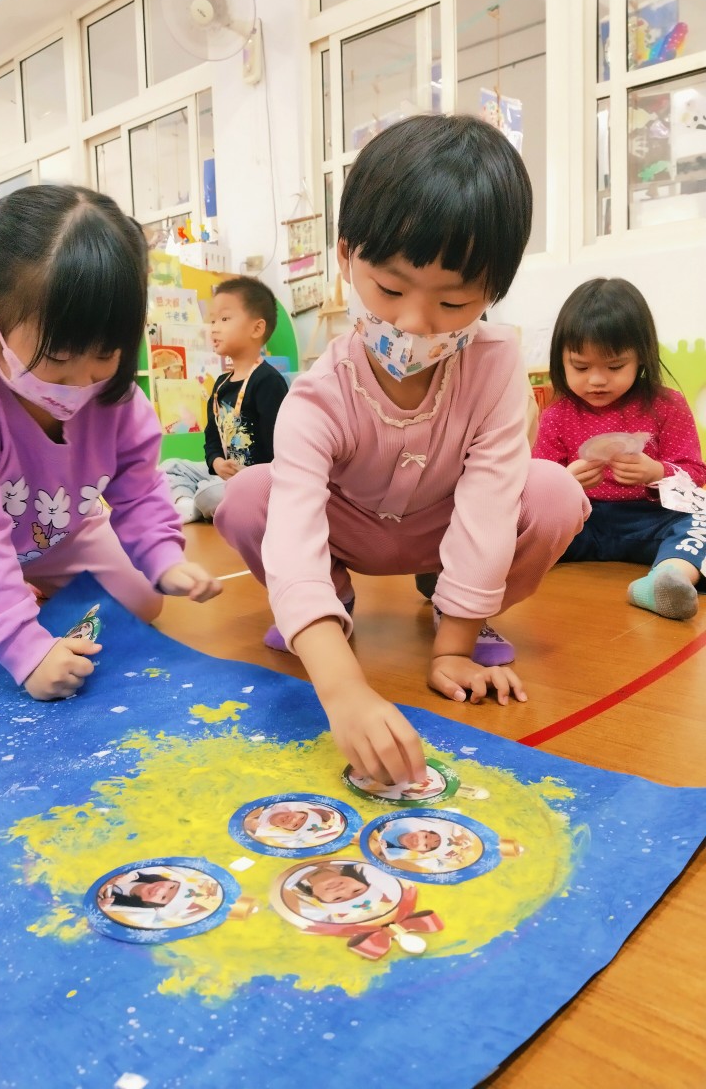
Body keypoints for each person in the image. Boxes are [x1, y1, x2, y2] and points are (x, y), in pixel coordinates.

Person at [215, 114, 588, 785]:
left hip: (444, 527)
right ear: (344, 255)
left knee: (555, 493)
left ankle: (454, 604)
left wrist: (454, 649)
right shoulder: (319, 394)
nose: (414, 323)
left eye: (455, 302)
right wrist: (342, 688)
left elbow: (490, 502)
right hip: (350, 530)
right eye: (389, 289)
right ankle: (331, 607)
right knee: (245, 498)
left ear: (492, 293)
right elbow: (293, 535)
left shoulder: (497, 364)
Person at [0, 186, 221, 699]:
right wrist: (25, 649)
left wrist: (163, 556)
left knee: (143, 599)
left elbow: (140, 488)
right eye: (57, 356)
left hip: (53, 528)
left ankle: (12, 592)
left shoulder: (115, 396)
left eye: (106, 353)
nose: (83, 381)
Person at [533, 277, 706, 620]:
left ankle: (666, 579)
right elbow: (536, 486)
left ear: (641, 357)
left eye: (614, 367)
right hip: (582, 523)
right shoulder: (557, 414)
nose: (597, 380)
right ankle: (471, 576)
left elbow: (695, 474)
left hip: (653, 521)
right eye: (580, 367)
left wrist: (657, 472)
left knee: (702, 518)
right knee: (518, 521)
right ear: (561, 360)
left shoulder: (667, 405)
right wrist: (564, 481)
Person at [161, 276, 289, 522]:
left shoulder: (268, 382)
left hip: (256, 481)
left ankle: (195, 502)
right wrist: (217, 462)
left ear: (256, 329)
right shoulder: (220, 384)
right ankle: (190, 504)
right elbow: (211, 440)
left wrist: (249, 476)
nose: (214, 328)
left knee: (210, 492)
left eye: (225, 319)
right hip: (222, 476)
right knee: (169, 468)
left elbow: (279, 449)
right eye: (212, 321)